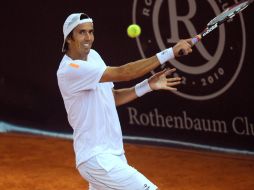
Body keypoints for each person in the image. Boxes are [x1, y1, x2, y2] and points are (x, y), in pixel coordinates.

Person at [57, 12, 192, 190]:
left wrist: (148, 85)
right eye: (82, 32)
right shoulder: (70, 70)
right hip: (97, 159)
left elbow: (113, 97)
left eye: (91, 31)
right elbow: (124, 73)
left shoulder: (94, 56)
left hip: (113, 155)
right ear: (69, 38)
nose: (88, 37)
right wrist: (170, 53)